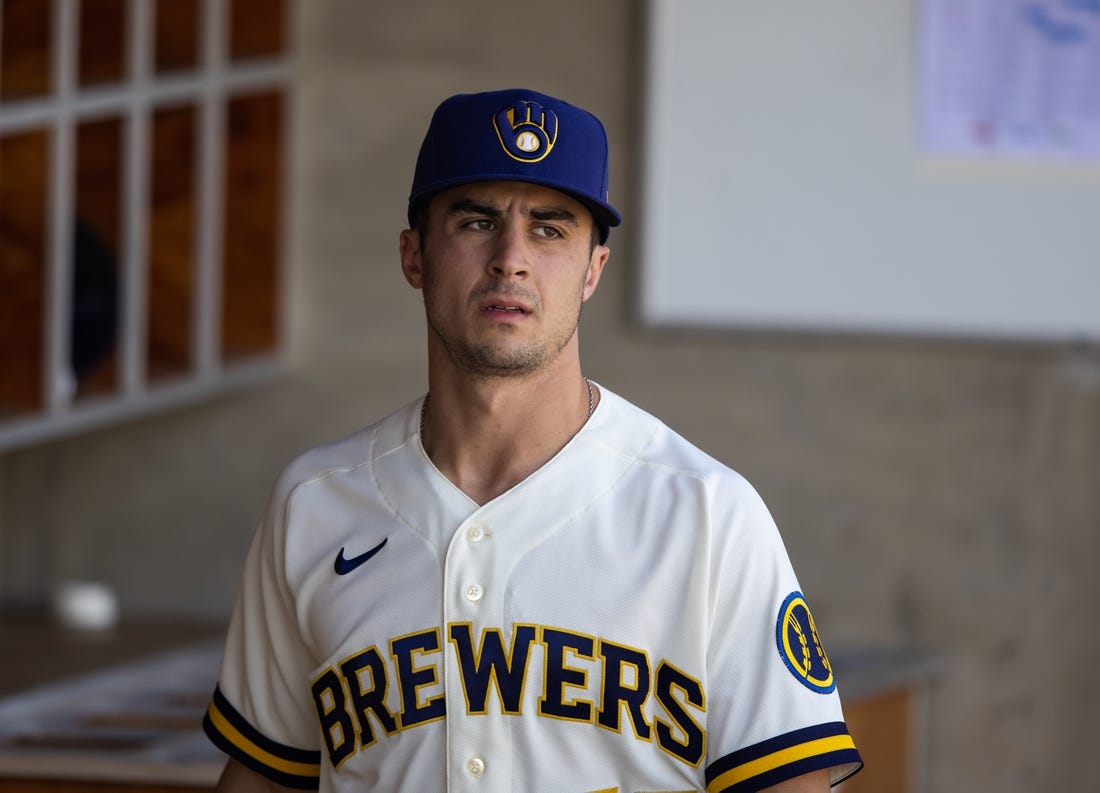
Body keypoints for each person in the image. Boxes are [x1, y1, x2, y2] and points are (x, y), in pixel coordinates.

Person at [203, 88, 863, 793]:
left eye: (549, 229)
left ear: (592, 270)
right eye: (477, 221)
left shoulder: (707, 513)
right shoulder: (314, 503)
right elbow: (263, 777)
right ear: (414, 256)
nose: (511, 258)